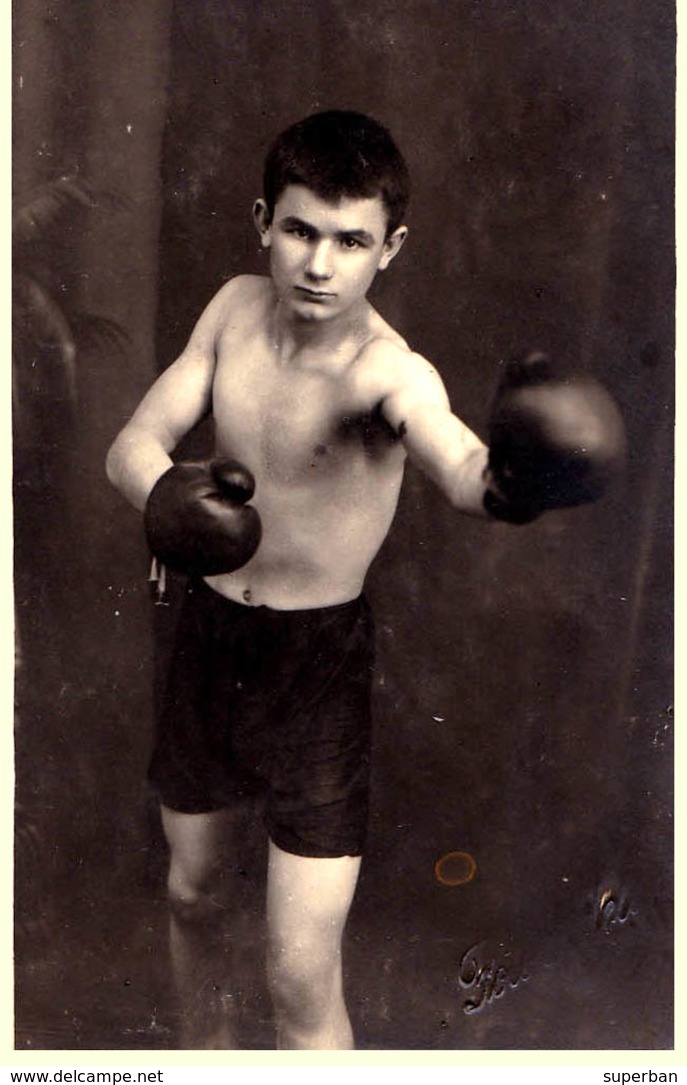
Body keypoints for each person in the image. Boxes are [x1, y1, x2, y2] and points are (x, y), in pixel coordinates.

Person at [106, 110, 624, 1050]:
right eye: (302, 230)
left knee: (298, 977)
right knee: (190, 895)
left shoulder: (387, 371)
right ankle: (202, 1061)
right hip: (207, 643)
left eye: (351, 241)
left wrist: (510, 485)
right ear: (264, 220)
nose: (319, 264)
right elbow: (133, 443)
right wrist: (167, 495)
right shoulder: (229, 309)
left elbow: (458, 459)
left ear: (390, 248)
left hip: (315, 671)